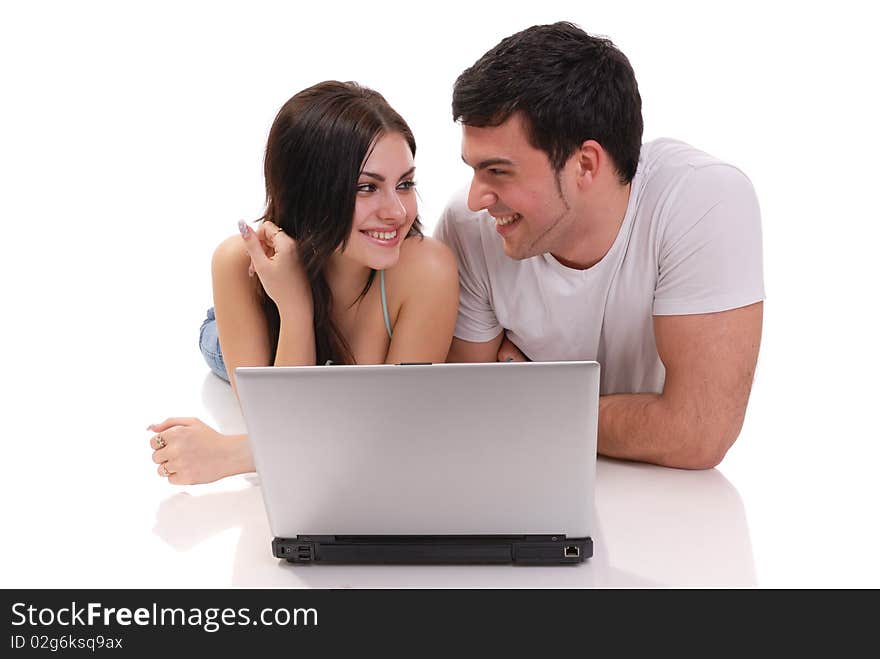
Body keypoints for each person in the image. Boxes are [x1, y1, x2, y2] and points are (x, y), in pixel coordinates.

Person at [435, 22, 764, 470]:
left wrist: (537, 400)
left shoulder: (702, 200)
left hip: (671, 503)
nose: (477, 198)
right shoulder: (469, 225)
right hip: (528, 484)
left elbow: (697, 433)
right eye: (474, 170)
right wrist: (642, 416)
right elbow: (468, 417)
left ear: (585, 164)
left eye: (498, 171)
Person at [148, 81, 459, 485]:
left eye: (404, 183)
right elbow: (277, 426)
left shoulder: (427, 270)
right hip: (252, 328)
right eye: (367, 187)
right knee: (218, 346)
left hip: (316, 341)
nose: (397, 211)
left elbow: (398, 433)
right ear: (310, 192)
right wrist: (294, 306)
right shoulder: (237, 264)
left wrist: (231, 453)